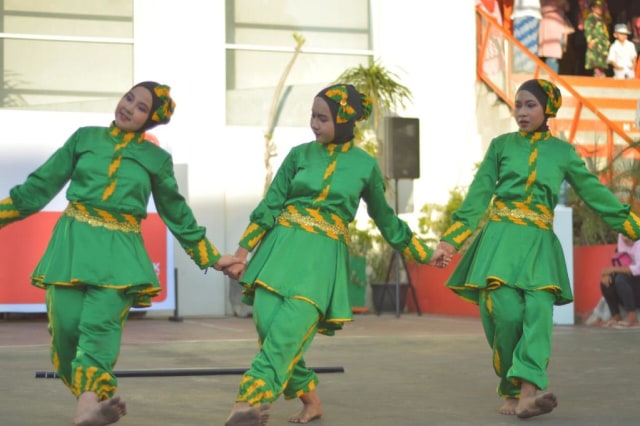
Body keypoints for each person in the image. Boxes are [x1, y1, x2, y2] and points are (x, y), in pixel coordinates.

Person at [0, 81, 243, 426]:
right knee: (66, 332)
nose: (129, 107)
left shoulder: (156, 159)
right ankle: (92, 400)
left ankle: (86, 408)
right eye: (129, 97)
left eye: (141, 107)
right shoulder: (84, 138)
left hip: (120, 254)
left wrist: (210, 256)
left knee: (99, 330)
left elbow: (176, 211)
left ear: (150, 120)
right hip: (73, 245)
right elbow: (39, 187)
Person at [222, 83, 436, 425]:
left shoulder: (365, 166)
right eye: (312, 115)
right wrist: (241, 253)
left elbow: (386, 219)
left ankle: (249, 403)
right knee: (268, 330)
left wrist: (422, 252)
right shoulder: (298, 155)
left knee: (286, 335)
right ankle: (312, 401)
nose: (314, 124)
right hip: (278, 252)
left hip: (319, 263)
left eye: (323, 118)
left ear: (345, 119)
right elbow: (270, 205)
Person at [431, 79, 640, 419]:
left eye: (530, 105)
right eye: (518, 105)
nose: (522, 112)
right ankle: (511, 387)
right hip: (499, 243)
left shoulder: (562, 153)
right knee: (508, 316)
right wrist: (450, 240)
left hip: (539, 245)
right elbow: (478, 195)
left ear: (547, 109)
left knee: (540, 313)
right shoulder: (500, 146)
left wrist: (633, 227)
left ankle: (528, 392)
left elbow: (594, 193)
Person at [599, 233, 640, 327]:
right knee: (606, 282)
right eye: (623, 236)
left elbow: (638, 269)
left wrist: (612, 270)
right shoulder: (621, 238)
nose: (625, 239)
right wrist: (607, 274)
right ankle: (616, 316)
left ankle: (631, 315)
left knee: (621, 279)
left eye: (629, 235)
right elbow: (621, 262)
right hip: (630, 281)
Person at [539, 0, 574, 74]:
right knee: (551, 56)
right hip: (549, 27)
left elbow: (568, 7)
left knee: (554, 56)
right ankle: (550, 77)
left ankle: (551, 76)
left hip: (557, 28)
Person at [512, 0, 542, 72]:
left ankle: (527, 72)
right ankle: (524, 72)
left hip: (527, 11)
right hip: (525, 12)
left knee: (525, 46)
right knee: (524, 46)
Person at [584, 0, 611, 77]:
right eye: (598, 8)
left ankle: (601, 71)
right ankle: (597, 72)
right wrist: (590, 40)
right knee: (595, 57)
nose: (600, 10)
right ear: (593, 8)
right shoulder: (590, 18)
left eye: (601, 8)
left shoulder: (602, 19)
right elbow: (588, 30)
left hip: (602, 42)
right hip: (595, 42)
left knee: (602, 58)